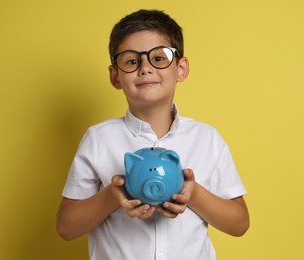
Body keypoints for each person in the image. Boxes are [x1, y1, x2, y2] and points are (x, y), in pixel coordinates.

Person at [57, 9, 249, 260]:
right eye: (132, 61)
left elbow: (239, 224)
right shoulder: (98, 139)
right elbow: (66, 227)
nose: (145, 68)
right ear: (115, 76)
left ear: (180, 68)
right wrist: (114, 195)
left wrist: (194, 194)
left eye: (159, 58)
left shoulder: (207, 139)